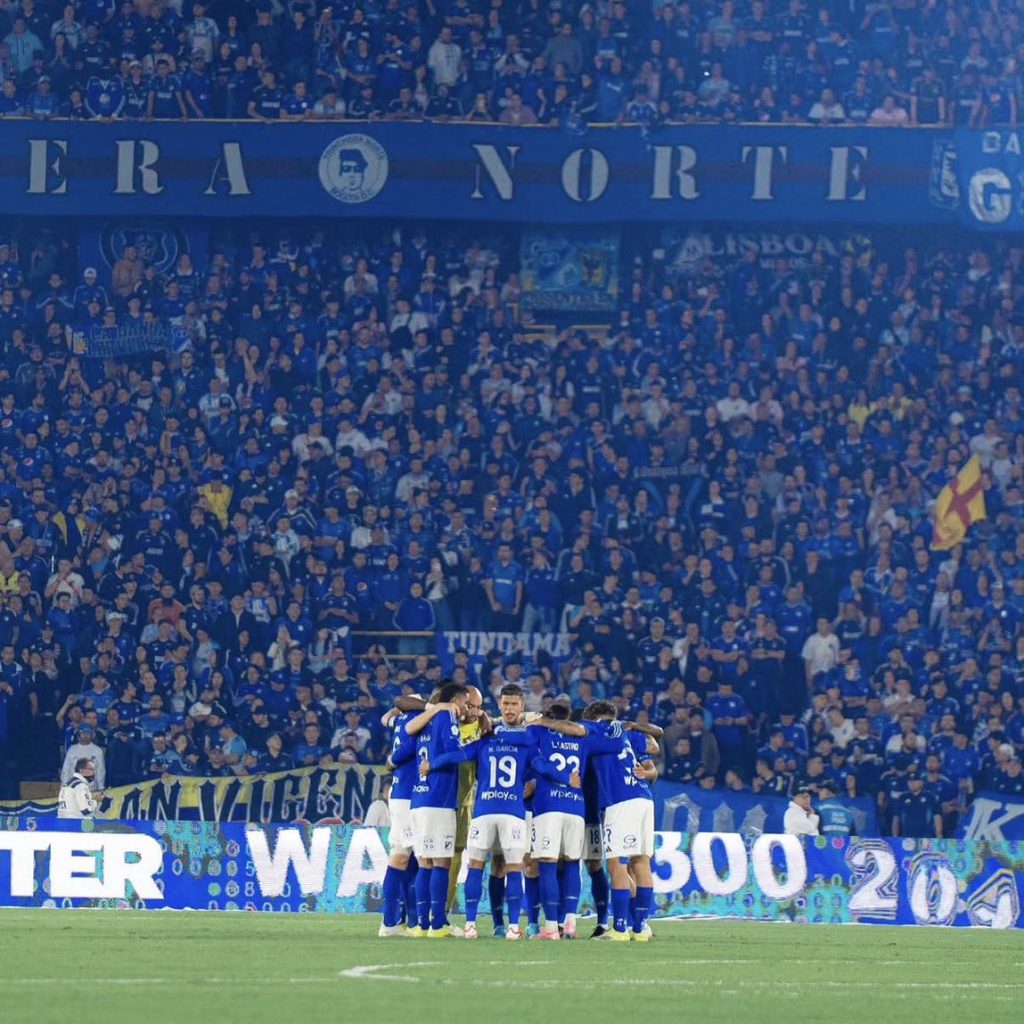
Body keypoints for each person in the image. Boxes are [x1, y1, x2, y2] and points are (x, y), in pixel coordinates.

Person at [407, 682, 470, 937]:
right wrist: (470, 749)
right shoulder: (447, 716)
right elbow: (456, 753)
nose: (466, 707)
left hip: (418, 798)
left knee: (425, 863)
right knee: (441, 862)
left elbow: (409, 732)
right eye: (465, 702)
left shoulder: (424, 721)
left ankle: (422, 924)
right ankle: (439, 924)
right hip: (439, 799)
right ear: (455, 700)